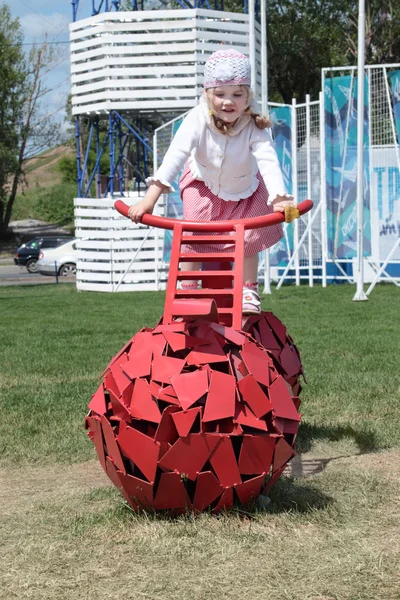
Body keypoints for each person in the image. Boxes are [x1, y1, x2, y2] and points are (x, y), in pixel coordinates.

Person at [128, 48, 295, 315]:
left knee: (248, 234)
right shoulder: (198, 118)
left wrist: (279, 197)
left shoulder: (254, 126)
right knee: (193, 231)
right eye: (220, 94)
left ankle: (248, 290)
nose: (228, 102)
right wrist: (150, 200)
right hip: (202, 184)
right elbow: (175, 155)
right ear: (208, 95)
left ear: (248, 97)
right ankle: (188, 290)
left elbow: (268, 161)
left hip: (244, 189)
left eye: (237, 94)